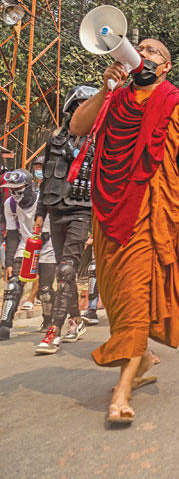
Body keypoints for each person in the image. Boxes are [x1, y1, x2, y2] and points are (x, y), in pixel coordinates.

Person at [70, 38, 179, 425]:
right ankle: (142, 357)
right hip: (109, 209)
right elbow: (76, 126)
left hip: (151, 213)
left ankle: (121, 388)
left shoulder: (174, 103)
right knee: (117, 293)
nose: (143, 54)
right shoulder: (114, 99)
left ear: (165, 66)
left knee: (135, 293)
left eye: (152, 52)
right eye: (140, 49)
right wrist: (105, 89)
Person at [33, 85, 99, 354]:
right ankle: (75, 319)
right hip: (54, 210)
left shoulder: (98, 143)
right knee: (65, 273)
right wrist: (39, 215)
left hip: (81, 211)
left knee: (66, 269)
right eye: (79, 108)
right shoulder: (54, 141)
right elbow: (46, 180)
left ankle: (54, 329)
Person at [0, 170, 56, 340]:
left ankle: (48, 320)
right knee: (13, 285)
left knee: (45, 291)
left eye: (19, 188)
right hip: (24, 245)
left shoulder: (44, 202)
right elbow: (11, 234)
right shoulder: (9, 204)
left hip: (47, 246)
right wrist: (9, 263)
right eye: (11, 189)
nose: (15, 193)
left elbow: (48, 233)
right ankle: (4, 326)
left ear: (30, 186)